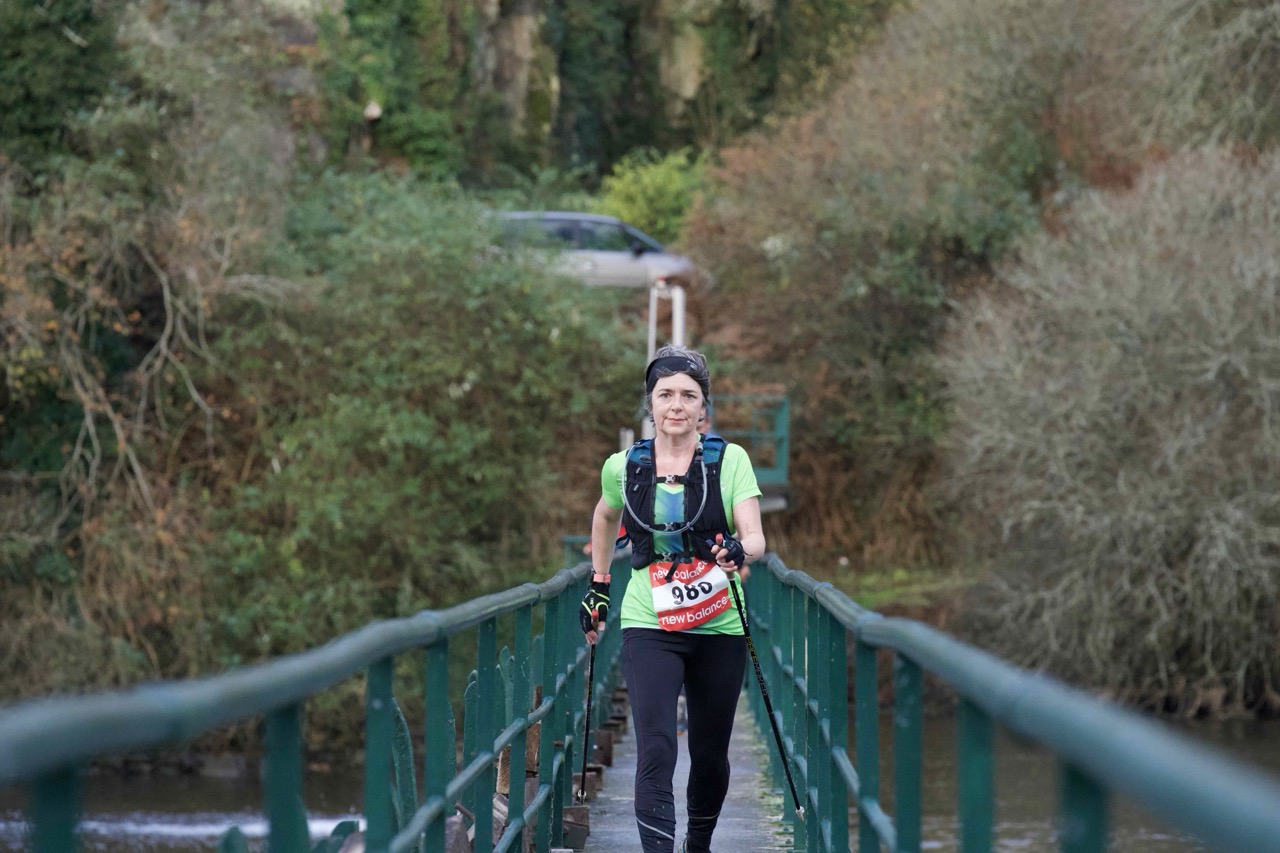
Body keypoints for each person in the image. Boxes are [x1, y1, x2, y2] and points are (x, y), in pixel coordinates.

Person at [579, 345, 766, 853]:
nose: (676, 405)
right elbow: (604, 516)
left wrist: (737, 549)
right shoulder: (623, 466)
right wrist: (599, 584)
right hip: (649, 620)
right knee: (657, 750)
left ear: (704, 406)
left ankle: (697, 844)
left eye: (688, 395)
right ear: (651, 403)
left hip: (719, 623)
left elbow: (755, 536)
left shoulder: (731, 461)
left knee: (709, 755)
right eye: (665, 395)